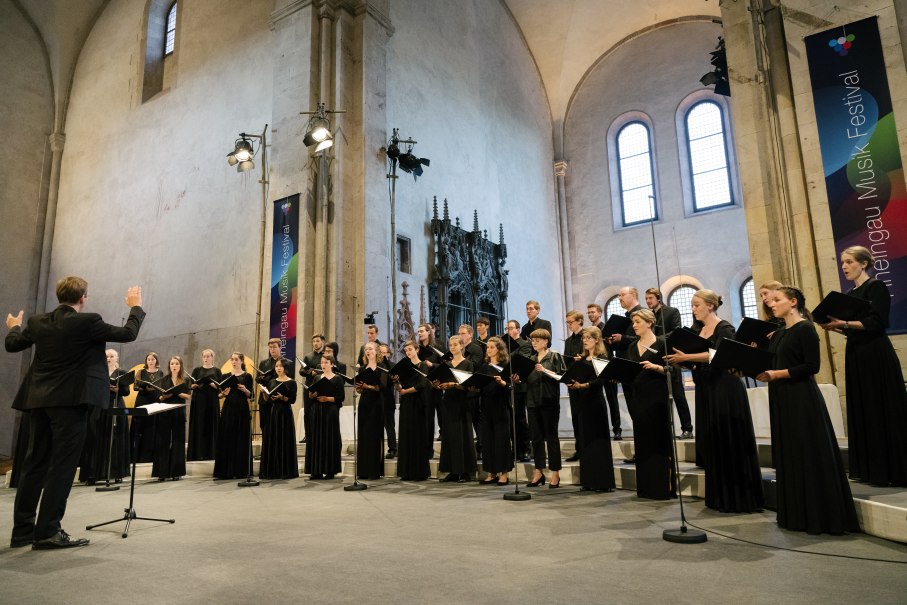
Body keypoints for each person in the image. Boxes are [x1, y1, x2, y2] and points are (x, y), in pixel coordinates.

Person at [5, 278, 144, 550]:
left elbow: (13, 345)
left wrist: (13, 327)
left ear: (60, 297)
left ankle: (22, 531)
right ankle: (47, 532)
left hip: (39, 402)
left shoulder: (37, 322)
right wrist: (136, 307)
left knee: (34, 465)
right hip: (70, 403)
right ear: (83, 298)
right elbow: (128, 334)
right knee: (62, 466)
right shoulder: (88, 321)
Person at [757, 287, 860, 534]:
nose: (772, 304)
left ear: (793, 303)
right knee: (791, 452)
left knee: (807, 450)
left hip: (801, 397)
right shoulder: (780, 332)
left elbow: (811, 366)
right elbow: (768, 362)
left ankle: (818, 515)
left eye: (777, 300)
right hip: (782, 397)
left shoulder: (805, 328)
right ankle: (797, 514)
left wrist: (777, 374)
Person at [665, 290, 764, 513]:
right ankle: (721, 495)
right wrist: (686, 363)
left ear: (710, 305)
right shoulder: (699, 330)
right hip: (708, 388)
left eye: (697, 305)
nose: (693, 309)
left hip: (727, 389)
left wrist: (688, 357)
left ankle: (738, 497)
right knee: (715, 440)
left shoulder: (724, 327)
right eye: (692, 305)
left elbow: (719, 355)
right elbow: (704, 361)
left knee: (730, 440)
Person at [818, 246, 907, 487]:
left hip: (875, 353)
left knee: (880, 406)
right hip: (856, 352)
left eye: (849, 262)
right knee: (863, 406)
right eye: (843, 262)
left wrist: (845, 322)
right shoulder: (851, 292)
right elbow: (854, 327)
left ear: (864, 263)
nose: (844, 266)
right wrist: (836, 326)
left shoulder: (875, 286)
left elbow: (878, 322)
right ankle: (870, 469)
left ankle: (891, 470)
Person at [624, 309, 675, 500]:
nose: (634, 325)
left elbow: (674, 370)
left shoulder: (662, 344)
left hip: (657, 398)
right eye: (633, 322)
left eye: (638, 321)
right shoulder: (632, 347)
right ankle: (645, 487)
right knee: (643, 441)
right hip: (638, 397)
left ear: (649, 322)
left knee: (659, 440)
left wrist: (657, 367)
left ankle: (662, 487)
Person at [566, 327, 616, 492]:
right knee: (585, 441)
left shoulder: (601, 358)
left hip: (595, 403)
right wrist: (571, 381)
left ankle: (603, 482)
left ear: (596, 339)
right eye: (584, 338)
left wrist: (583, 385)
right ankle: (588, 481)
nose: (585, 340)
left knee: (598, 441)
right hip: (583, 403)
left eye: (588, 338)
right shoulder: (582, 359)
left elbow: (599, 381)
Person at [518, 328, 565, 488]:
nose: (534, 342)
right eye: (532, 340)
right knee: (536, 438)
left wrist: (544, 370)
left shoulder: (555, 356)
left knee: (551, 437)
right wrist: (517, 379)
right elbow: (524, 380)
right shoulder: (530, 360)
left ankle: (555, 473)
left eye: (537, 340)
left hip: (549, 401)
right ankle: (538, 471)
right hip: (532, 402)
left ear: (546, 341)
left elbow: (562, 376)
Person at [645, 287, 693, 440]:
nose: (647, 301)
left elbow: (677, 331)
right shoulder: (648, 315)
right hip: (654, 359)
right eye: (646, 299)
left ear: (658, 298)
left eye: (650, 298)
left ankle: (687, 428)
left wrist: (657, 340)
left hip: (671, 356)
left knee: (678, 395)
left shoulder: (671, 311)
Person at [78, 349, 131, 485]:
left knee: (115, 438)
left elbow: (126, 391)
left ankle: (116, 472)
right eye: (107, 356)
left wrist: (116, 389)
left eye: (112, 356)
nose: (109, 358)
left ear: (116, 358)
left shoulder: (122, 373)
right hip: (98, 406)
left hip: (115, 405)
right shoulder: (98, 372)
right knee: (96, 437)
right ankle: (92, 473)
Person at [433, 335, 477, 482]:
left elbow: (468, 385)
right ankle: (452, 470)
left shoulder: (468, 364)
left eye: (455, 345)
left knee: (462, 435)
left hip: (462, 402)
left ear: (461, 346)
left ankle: (464, 472)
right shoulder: (447, 364)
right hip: (449, 402)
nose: (452, 347)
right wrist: (437, 385)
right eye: (450, 345)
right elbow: (441, 381)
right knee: (450, 436)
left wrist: (453, 385)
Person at [393, 340, 431, 481]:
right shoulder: (404, 366)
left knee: (417, 436)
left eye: (410, 349)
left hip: (418, 403)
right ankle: (406, 471)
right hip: (407, 403)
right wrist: (397, 382)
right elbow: (399, 387)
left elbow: (421, 385)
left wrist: (404, 391)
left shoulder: (422, 365)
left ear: (417, 350)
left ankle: (419, 472)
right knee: (406, 435)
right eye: (406, 350)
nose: (408, 352)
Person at [477, 336, 513, 485]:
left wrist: (502, 382)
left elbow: (511, 386)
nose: (489, 350)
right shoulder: (484, 367)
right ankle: (491, 472)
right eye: (488, 347)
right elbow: (479, 384)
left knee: (501, 440)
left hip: (501, 405)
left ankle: (503, 473)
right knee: (488, 440)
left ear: (499, 349)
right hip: (486, 406)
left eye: (492, 347)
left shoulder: (506, 365)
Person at [213, 352, 254, 479]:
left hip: (242, 408)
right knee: (227, 437)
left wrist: (245, 390)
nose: (234, 361)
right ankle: (226, 471)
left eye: (236, 359)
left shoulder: (247, 376)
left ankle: (241, 470)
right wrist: (224, 393)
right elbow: (218, 395)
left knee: (241, 438)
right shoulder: (225, 376)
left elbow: (251, 395)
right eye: (232, 359)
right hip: (229, 408)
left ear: (242, 361)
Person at [259, 358, 299, 480]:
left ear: (285, 368)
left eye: (280, 366)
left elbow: (292, 400)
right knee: (273, 439)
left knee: (285, 439)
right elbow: (267, 400)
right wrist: (265, 393)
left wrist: (282, 397)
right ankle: (273, 470)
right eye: (276, 366)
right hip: (273, 412)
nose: (278, 368)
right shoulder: (271, 382)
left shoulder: (292, 382)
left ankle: (285, 471)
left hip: (285, 413)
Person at [305, 355, 345, 480]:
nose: (323, 364)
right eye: (322, 362)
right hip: (317, 410)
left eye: (326, 362)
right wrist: (312, 394)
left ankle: (330, 470)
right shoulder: (317, 377)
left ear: (332, 364)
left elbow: (341, 397)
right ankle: (316, 470)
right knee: (317, 438)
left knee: (329, 438)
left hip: (330, 410)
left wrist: (327, 398)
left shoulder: (337, 378)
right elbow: (311, 395)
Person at [587, 303, 622, 440]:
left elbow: (616, 347)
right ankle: (599, 429)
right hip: (593, 368)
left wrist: (608, 341)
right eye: (588, 312)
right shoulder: (588, 330)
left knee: (612, 399)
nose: (590, 314)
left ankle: (617, 429)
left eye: (593, 312)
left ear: (600, 313)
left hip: (607, 365)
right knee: (595, 398)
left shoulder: (607, 328)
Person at [152, 356, 190, 481]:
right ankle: (161, 472)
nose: (174, 366)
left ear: (180, 366)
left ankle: (176, 472)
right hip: (165, 412)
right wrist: (165, 396)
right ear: (169, 366)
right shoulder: (164, 379)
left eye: (176, 364)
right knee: (163, 441)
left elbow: (188, 396)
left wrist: (176, 392)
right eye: (172, 364)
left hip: (179, 412)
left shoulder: (185, 380)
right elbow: (159, 398)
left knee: (178, 441)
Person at [353, 342, 386, 480]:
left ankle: (374, 471)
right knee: (364, 435)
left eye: (370, 349)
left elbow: (382, 387)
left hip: (376, 403)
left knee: (374, 435)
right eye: (366, 349)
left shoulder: (382, 367)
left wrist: (368, 386)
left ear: (376, 351)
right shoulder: (362, 369)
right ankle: (363, 470)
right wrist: (360, 387)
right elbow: (359, 388)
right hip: (364, 403)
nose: (368, 351)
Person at [504, 320, 532, 461]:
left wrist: (507, 355)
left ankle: (526, 449)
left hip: (520, 386)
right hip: (506, 385)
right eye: (506, 328)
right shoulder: (505, 345)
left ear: (518, 330)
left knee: (520, 418)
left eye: (510, 328)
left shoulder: (525, 344)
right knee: (510, 420)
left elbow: (522, 361)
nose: (508, 331)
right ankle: (515, 450)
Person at [257, 338, 293, 447]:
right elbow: (257, 379)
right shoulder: (264, 363)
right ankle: (265, 451)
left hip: (279, 399)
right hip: (265, 398)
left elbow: (290, 379)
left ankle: (278, 449)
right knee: (265, 425)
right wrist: (262, 378)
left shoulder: (287, 363)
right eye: (270, 347)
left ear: (280, 347)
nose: (272, 350)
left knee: (277, 426)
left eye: (274, 347)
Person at [187, 349, 221, 461]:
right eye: (204, 356)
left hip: (212, 401)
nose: (206, 358)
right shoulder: (197, 370)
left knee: (211, 425)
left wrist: (213, 385)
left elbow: (221, 387)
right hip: (199, 401)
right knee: (199, 425)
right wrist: (195, 385)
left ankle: (211, 453)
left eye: (208, 356)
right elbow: (190, 385)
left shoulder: (217, 371)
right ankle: (199, 453)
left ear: (212, 357)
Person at [132, 352, 164, 463]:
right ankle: (138, 456)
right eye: (149, 359)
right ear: (146, 361)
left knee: (152, 427)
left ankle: (150, 455)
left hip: (155, 400)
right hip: (142, 400)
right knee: (140, 426)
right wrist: (145, 388)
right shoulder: (141, 372)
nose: (150, 361)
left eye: (153, 359)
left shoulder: (160, 373)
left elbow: (162, 387)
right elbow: (135, 386)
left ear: (156, 361)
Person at [458, 323, 484, 458]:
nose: (460, 336)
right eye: (459, 333)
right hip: (461, 389)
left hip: (473, 389)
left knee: (476, 419)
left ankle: (481, 447)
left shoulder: (476, 349)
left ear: (470, 335)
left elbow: (474, 366)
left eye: (463, 333)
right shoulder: (459, 349)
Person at [417, 323, 443, 455]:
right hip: (421, 388)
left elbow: (445, 366)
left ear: (429, 332)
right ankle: (425, 449)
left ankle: (433, 449)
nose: (420, 333)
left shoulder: (437, 348)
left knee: (436, 418)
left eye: (422, 331)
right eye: (418, 331)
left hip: (434, 387)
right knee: (425, 420)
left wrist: (432, 364)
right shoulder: (417, 349)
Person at [563, 310, 585, 462]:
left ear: (580, 321)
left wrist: (581, 360)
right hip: (572, 383)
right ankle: (579, 449)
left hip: (585, 383)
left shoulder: (587, 337)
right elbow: (566, 362)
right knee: (576, 417)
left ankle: (586, 449)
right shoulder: (568, 341)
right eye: (567, 322)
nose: (569, 325)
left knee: (585, 418)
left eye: (571, 322)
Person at [299, 333, 326, 443]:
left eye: (317, 341)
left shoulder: (326, 356)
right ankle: (308, 434)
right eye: (314, 341)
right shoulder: (308, 356)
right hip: (309, 386)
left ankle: (321, 433)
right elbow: (301, 371)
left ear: (322, 342)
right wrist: (310, 372)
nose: (315, 343)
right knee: (308, 411)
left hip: (323, 387)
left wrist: (318, 372)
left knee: (321, 411)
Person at [378, 342, 398, 460]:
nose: (382, 354)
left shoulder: (392, 365)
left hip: (388, 399)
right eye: (379, 352)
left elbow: (391, 381)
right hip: (377, 399)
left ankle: (393, 449)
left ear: (388, 354)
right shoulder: (376, 365)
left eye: (384, 352)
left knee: (389, 425)